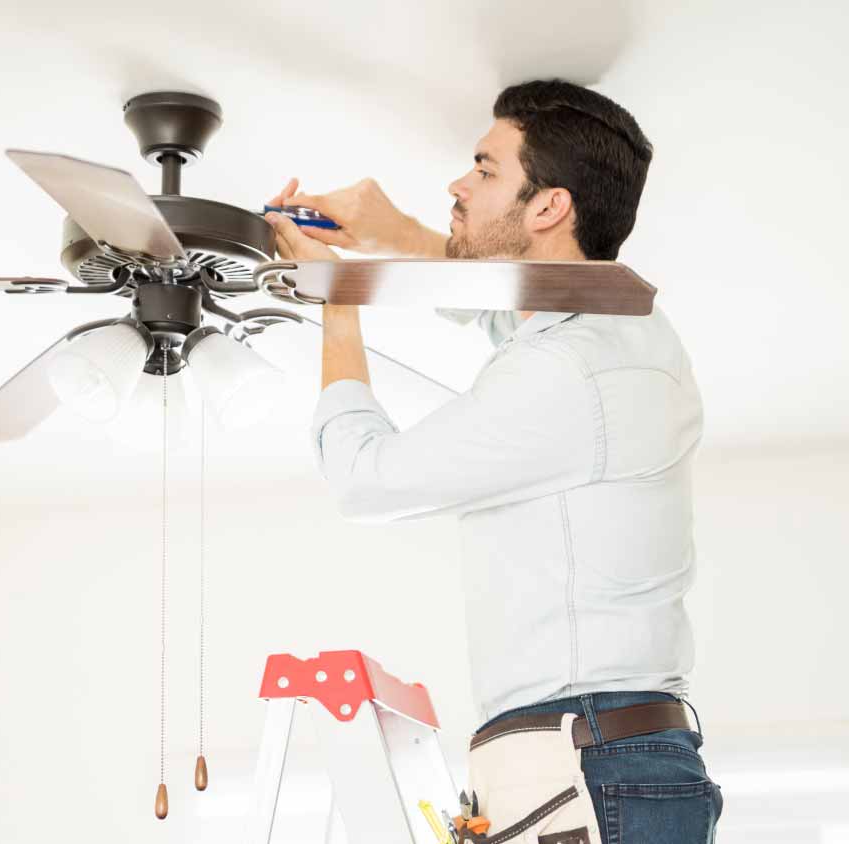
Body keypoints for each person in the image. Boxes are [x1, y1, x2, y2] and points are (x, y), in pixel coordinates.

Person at [264, 79, 721, 843]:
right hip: (587, 759)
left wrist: (337, 303)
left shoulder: (568, 370)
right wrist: (387, 230)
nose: (457, 183)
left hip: (586, 761)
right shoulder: (608, 334)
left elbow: (366, 479)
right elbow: (492, 296)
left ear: (548, 207)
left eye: (483, 169)